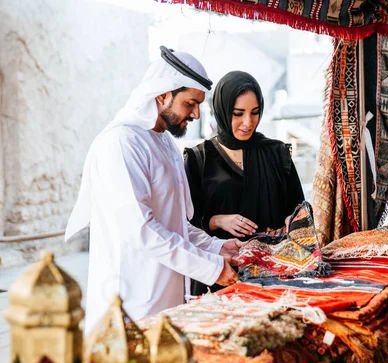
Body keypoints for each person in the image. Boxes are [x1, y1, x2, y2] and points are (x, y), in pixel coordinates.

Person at [65, 47, 241, 335]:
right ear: (162, 95)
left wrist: (217, 247)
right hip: (131, 305)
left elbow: (174, 224)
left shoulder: (165, 142)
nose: (196, 114)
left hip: (165, 299)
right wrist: (212, 269)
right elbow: (143, 231)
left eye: (198, 105)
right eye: (189, 104)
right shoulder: (122, 143)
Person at [184, 71, 305, 295]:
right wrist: (218, 221)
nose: (248, 123)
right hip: (219, 277)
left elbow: (300, 212)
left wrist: (294, 222)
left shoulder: (277, 154)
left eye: (255, 113)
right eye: (238, 113)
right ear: (221, 110)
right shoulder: (198, 159)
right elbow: (184, 225)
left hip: (276, 276)